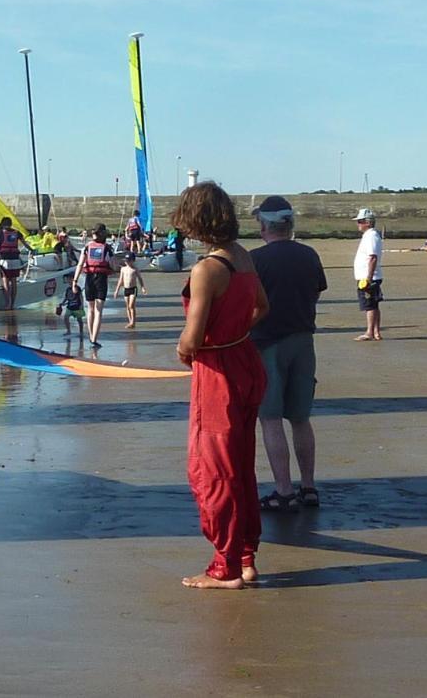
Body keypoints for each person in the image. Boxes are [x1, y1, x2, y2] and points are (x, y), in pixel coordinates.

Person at [173, 182, 269, 589]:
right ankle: (245, 557)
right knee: (240, 464)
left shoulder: (207, 268)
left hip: (218, 374)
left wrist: (187, 350)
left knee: (212, 470)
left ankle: (225, 567)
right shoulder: (243, 257)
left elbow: (191, 338)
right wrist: (232, 335)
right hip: (245, 361)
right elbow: (262, 307)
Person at [249, 195, 327, 512]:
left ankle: (283, 489)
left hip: (267, 342)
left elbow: (249, 302)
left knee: (269, 418)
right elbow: (317, 291)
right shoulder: (309, 254)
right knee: (300, 418)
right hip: (303, 340)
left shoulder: (256, 259)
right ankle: (308, 486)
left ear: (265, 225)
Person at [73, 224, 117, 348]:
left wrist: (74, 281)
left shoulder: (87, 247)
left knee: (91, 309)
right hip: (101, 280)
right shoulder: (107, 248)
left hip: (89, 279)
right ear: (103, 233)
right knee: (98, 311)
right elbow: (113, 265)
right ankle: (94, 338)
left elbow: (80, 264)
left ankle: (91, 335)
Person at [353, 208, 383, 341]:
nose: (358, 224)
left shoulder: (371, 236)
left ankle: (370, 332)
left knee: (369, 305)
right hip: (367, 276)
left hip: (368, 277)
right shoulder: (370, 235)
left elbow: (373, 257)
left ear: (368, 222)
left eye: (360, 221)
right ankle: (375, 332)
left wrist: (368, 278)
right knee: (373, 304)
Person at [0, 216, 32, 310]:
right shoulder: (17, 232)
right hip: (15, 259)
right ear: (11, 224)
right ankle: (13, 304)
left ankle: (8, 303)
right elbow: (25, 244)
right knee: (14, 281)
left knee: (6, 281)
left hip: (5, 260)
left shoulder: (0, 232)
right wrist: (32, 250)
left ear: (3, 224)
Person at [113, 253, 147, 329]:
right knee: (127, 306)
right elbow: (120, 281)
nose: (127, 262)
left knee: (131, 305)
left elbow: (140, 279)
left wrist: (143, 288)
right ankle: (130, 321)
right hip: (126, 289)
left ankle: (133, 322)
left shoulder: (135, 269)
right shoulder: (123, 269)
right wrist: (116, 291)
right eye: (126, 261)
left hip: (133, 289)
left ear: (133, 261)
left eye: (129, 261)